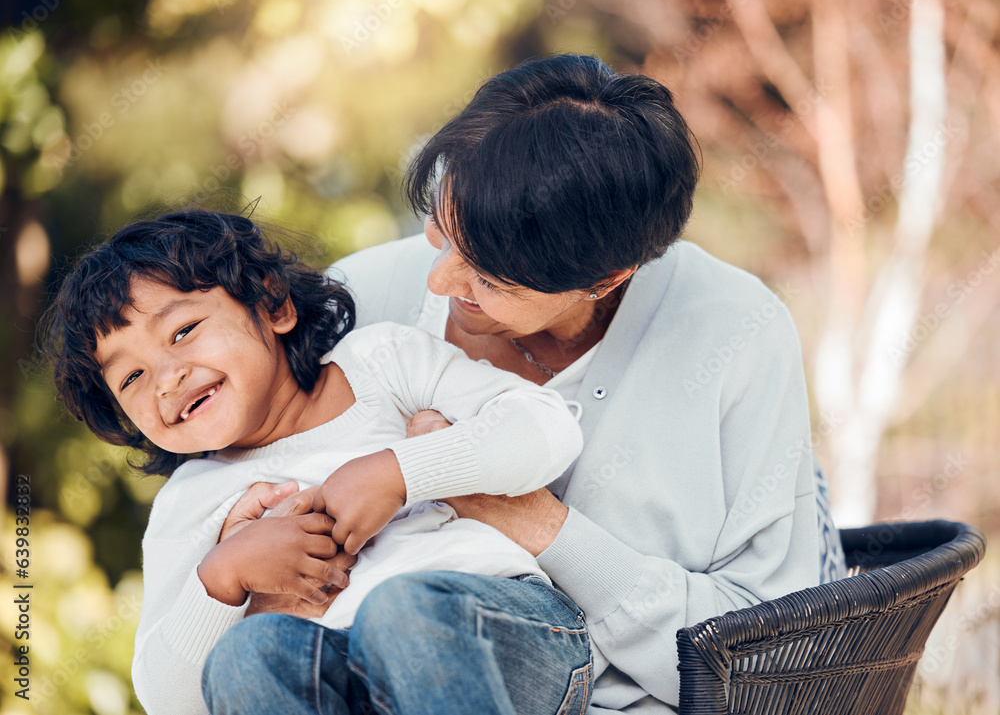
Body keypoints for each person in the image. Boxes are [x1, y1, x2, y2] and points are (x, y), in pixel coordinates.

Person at [204, 53, 831, 714]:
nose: (439, 282)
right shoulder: (364, 298)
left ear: (607, 278)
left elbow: (771, 667)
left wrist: (530, 518)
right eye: (439, 234)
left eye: (489, 280)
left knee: (411, 615)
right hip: (351, 681)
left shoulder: (735, 333)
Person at [43, 209, 592, 715]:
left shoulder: (381, 364)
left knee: (399, 613)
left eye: (183, 331)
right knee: (247, 655)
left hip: (505, 636)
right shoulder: (191, 501)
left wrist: (401, 472)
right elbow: (169, 699)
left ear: (273, 305)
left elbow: (546, 430)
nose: (166, 379)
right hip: (343, 687)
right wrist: (224, 576)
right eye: (131, 377)